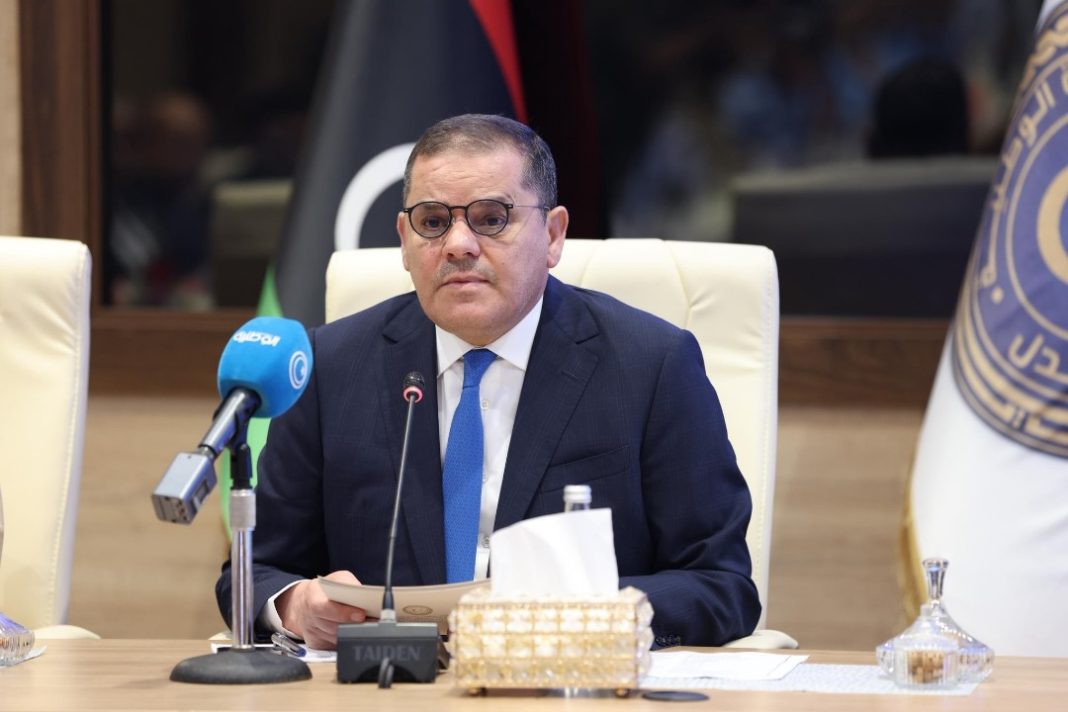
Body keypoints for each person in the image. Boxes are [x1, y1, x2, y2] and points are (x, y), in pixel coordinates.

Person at [216, 114, 760, 649]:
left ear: (553, 235)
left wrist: (584, 616)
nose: (458, 244)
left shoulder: (651, 365)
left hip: (562, 680)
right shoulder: (330, 366)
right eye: (433, 222)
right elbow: (254, 569)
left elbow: (721, 585)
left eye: (491, 218)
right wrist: (295, 605)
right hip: (384, 682)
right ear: (404, 240)